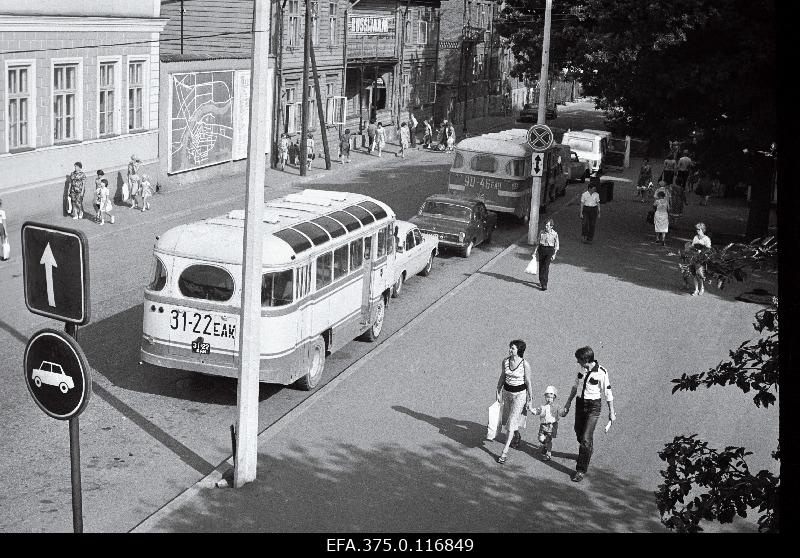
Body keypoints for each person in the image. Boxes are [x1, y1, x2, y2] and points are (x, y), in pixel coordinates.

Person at [562, 346, 616, 482]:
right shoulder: (581, 370)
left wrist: (611, 411)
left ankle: (580, 470)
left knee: (586, 439)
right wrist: (568, 402)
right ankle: (587, 451)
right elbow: (575, 387)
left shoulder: (602, 372)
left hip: (593, 407)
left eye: (579, 360)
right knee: (578, 432)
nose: (577, 362)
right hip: (580, 404)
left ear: (586, 360)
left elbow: (608, 392)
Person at [495, 340, 533, 464]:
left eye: (513, 348)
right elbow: (502, 376)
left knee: (511, 422)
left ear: (519, 350)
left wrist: (530, 398)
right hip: (507, 393)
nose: (510, 350)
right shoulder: (505, 361)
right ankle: (516, 435)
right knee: (508, 419)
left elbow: (528, 382)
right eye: (510, 348)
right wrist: (498, 390)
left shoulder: (525, 364)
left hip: (519, 396)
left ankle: (504, 452)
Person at [527, 385, 568, 461]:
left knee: (549, 440)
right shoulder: (543, 406)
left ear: (554, 397)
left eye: (551, 397)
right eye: (547, 397)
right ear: (545, 396)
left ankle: (548, 453)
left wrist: (565, 411)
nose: (549, 399)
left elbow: (561, 413)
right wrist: (531, 409)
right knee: (541, 439)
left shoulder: (556, 406)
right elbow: (537, 411)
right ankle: (545, 446)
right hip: (543, 425)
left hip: (552, 426)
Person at [689, 222, 712, 296]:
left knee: (700, 274)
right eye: (696, 229)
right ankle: (696, 289)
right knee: (694, 274)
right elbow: (692, 246)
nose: (697, 231)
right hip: (694, 257)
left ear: (702, 230)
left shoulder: (706, 239)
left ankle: (702, 288)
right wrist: (692, 249)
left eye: (698, 229)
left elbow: (708, 249)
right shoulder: (695, 237)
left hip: (701, 259)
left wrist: (701, 251)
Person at [536, 218, 559, 291]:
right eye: (545, 225)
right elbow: (538, 242)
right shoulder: (542, 232)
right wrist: (535, 251)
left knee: (546, 267)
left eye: (548, 226)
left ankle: (544, 284)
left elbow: (556, 245)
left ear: (551, 226)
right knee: (541, 266)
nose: (546, 227)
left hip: (550, 250)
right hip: (542, 249)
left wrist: (554, 254)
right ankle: (541, 279)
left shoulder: (554, 234)